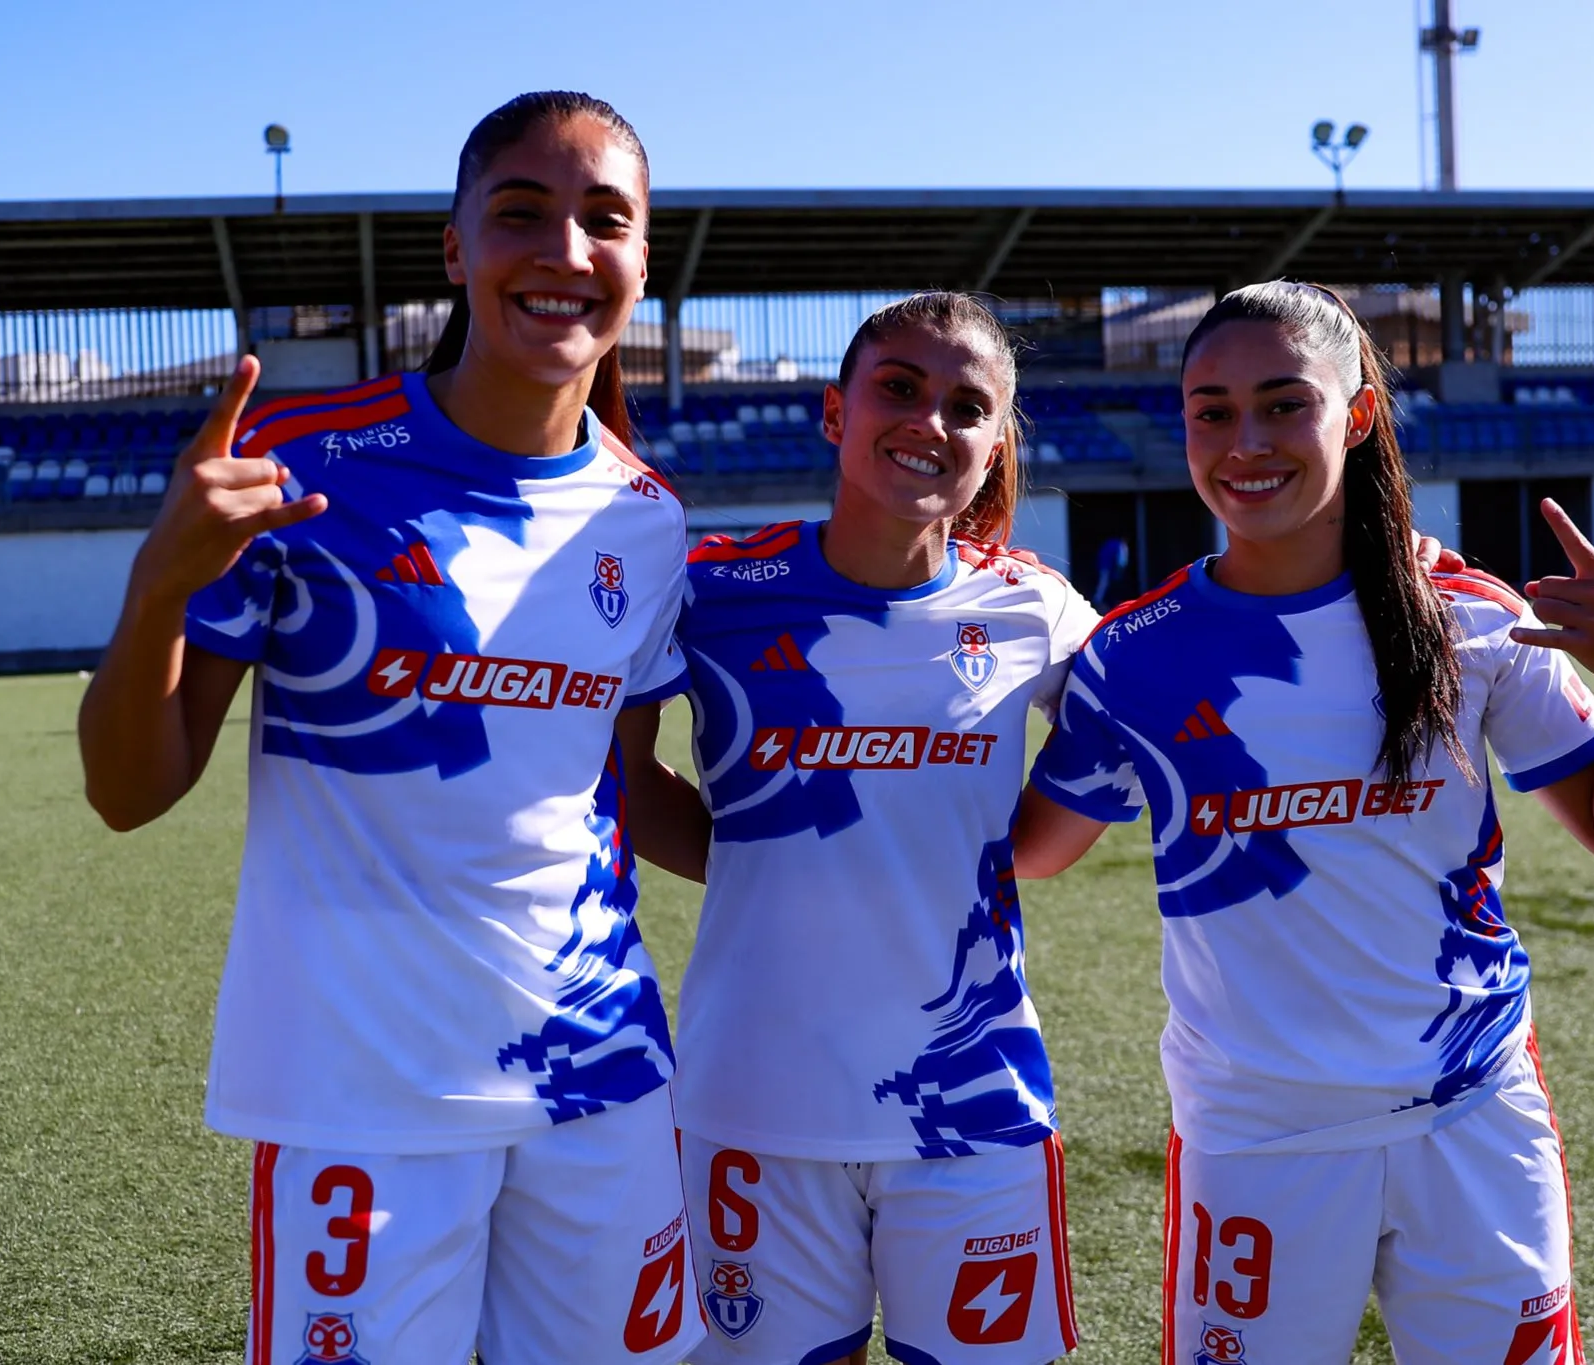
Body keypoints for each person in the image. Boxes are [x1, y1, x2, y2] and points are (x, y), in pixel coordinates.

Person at [77, 92, 704, 1365]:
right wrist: (160, 583)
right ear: (455, 246)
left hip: (601, 1077)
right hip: (364, 1095)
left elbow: (627, 792)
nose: (566, 252)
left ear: (644, 258)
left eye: (606, 221)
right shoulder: (301, 468)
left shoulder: (646, 519)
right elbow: (129, 790)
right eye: (521, 213)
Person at [1014, 282, 1594, 1365]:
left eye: (1285, 404)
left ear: (1359, 413)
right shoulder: (1131, 659)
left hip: (1471, 1119)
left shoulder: (1468, 618)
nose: (1246, 441)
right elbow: (1027, 855)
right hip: (1255, 1138)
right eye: (1212, 409)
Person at [617, 292, 1096, 1365]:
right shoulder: (713, 593)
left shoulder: (1037, 611)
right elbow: (626, 777)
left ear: (995, 446)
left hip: (972, 1113)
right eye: (899, 388)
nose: (930, 420)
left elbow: (1115, 766)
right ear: (836, 414)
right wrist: (758, 865)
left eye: (967, 406)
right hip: (754, 1110)